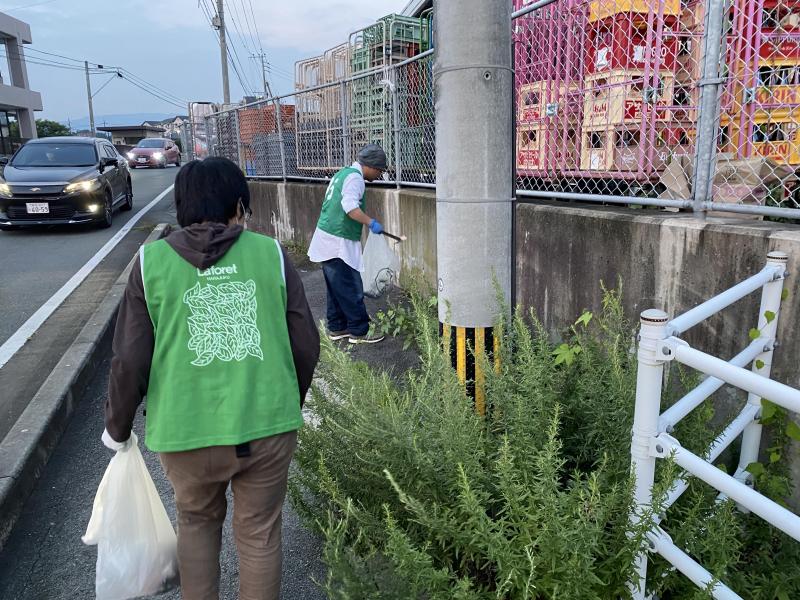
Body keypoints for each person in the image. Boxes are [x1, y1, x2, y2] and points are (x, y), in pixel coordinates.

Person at [102, 156, 320, 600]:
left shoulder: (151, 264)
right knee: (260, 534)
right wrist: (284, 402)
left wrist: (117, 429)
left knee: (196, 524)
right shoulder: (271, 254)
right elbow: (305, 344)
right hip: (267, 427)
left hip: (185, 434)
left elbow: (129, 358)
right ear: (239, 206)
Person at [307, 143, 387, 344]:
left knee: (336, 288)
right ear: (370, 166)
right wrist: (370, 222)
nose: (378, 174)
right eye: (379, 170)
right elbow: (349, 206)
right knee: (351, 287)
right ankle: (359, 331)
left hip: (326, 238)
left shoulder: (342, 174)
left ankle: (337, 327)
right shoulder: (355, 179)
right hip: (337, 242)